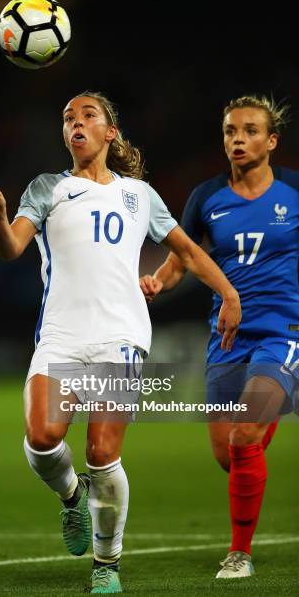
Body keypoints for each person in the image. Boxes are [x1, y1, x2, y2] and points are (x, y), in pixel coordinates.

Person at [0, 91, 241, 593]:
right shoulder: (47, 187)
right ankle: (72, 499)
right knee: (43, 438)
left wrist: (228, 293)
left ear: (109, 132)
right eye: (68, 117)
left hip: (122, 335)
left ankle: (106, 564)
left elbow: (188, 252)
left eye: (87, 115)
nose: (76, 122)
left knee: (101, 452)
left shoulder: (140, 195)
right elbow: (12, 248)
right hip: (62, 334)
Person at [140, 95, 299, 579]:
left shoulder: (294, 191)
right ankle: (260, 429)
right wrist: (156, 283)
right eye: (231, 131)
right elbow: (181, 259)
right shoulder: (206, 197)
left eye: (250, 131)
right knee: (229, 455)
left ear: (271, 141)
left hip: (284, 330)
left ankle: (239, 554)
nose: (238, 139)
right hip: (227, 338)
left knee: (246, 433)